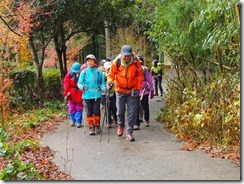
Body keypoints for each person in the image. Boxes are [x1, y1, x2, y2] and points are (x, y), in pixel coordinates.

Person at [106, 45, 143, 142]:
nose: (126, 57)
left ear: (131, 54)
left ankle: (129, 132)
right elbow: (111, 74)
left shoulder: (136, 61)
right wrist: (110, 82)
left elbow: (139, 75)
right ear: (122, 55)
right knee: (120, 111)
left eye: (128, 56)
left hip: (132, 90)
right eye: (125, 56)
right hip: (120, 90)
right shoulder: (116, 62)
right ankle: (121, 125)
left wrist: (138, 88)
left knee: (132, 112)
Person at [77, 54, 106, 135]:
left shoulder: (99, 72)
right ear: (86, 62)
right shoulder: (84, 72)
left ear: (94, 61)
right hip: (87, 95)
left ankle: (97, 124)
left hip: (97, 94)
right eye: (88, 61)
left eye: (91, 60)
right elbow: (79, 83)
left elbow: (102, 83)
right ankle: (91, 127)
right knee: (89, 112)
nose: (90, 62)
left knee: (96, 111)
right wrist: (81, 87)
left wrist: (104, 88)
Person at [134, 54, 154, 130]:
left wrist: (151, 90)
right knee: (136, 107)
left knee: (145, 106)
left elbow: (149, 80)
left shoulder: (145, 70)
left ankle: (147, 119)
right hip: (135, 90)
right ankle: (136, 123)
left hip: (144, 91)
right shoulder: (133, 69)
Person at [63, 62, 83, 128]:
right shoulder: (69, 75)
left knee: (79, 107)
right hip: (71, 93)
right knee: (71, 108)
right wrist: (66, 94)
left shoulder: (82, 74)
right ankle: (72, 119)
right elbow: (66, 85)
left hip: (79, 92)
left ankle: (78, 121)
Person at [103, 61, 118, 128]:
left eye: (110, 68)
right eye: (107, 69)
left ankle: (115, 117)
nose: (108, 70)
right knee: (107, 108)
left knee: (114, 108)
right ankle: (108, 121)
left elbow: (117, 83)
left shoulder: (114, 75)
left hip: (113, 94)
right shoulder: (103, 75)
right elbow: (101, 83)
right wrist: (105, 87)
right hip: (105, 94)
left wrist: (113, 84)